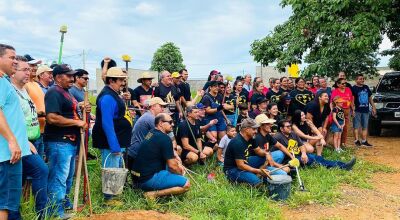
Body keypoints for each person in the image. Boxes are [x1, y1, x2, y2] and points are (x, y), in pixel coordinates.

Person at [44, 64, 88, 219]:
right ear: (57, 77)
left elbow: (70, 111)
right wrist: (77, 123)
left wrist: (81, 107)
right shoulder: (54, 92)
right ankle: (55, 212)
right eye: (68, 76)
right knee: (59, 178)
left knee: (67, 177)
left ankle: (64, 206)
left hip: (69, 143)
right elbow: (52, 118)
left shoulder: (67, 92)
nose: (72, 78)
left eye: (72, 75)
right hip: (58, 142)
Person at [9, 56, 49, 220]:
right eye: (24, 70)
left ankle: (20, 214)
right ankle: (42, 214)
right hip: (20, 143)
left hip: (34, 139)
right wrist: (24, 141)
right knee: (40, 170)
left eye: (29, 69)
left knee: (20, 180)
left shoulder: (24, 88)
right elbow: (9, 119)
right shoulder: (10, 91)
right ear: (13, 72)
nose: (29, 72)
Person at [92, 67, 133, 204]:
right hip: (111, 143)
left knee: (116, 168)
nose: (123, 83)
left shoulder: (114, 94)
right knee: (111, 169)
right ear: (111, 80)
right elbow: (107, 124)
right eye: (120, 80)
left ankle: (115, 194)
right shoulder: (107, 97)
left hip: (119, 140)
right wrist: (114, 146)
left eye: (123, 80)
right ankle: (109, 198)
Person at [0, 44, 31, 220]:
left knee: (7, 202)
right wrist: (12, 141)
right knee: (4, 204)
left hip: (8, 153)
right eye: (11, 58)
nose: (15, 61)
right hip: (7, 154)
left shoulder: (4, 81)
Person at [131, 113, 190, 199]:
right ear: (161, 123)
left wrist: (175, 160)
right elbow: (173, 167)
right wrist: (180, 173)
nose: (172, 124)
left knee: (171, 166)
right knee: (186, 184)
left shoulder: (151, 133)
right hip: (146, 180)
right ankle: (153, 194)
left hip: (135, 177)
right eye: (170, 122)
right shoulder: (165, 139)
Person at [274, 120, 355, 170]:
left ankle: (343, 165)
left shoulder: (293, 134)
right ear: (281, 129)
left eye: (290, 126)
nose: (290, 128)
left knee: (317, 158)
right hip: (290, 160)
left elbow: (301, 145)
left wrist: (304, 153)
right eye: (287, 127)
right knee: (315, 161)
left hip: (300, 155)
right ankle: (343, 167)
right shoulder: (278, 136)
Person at [223, 118, 271, 187]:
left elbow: (258, 151)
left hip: (245, 161)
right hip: (232, 169)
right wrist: (258, 171)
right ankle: (237, 180)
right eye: (254, 129)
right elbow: (240, 165)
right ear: (247, 129)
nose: (256, 131)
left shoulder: (252, 137)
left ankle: (256, 174)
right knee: (257, 182)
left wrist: (267, 153)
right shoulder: (237, 142)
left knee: (263, 157)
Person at [24, 60, 46, 157]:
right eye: (32, 65)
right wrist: (39, 113)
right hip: (31, 133)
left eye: (36, 65)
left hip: (41, 130)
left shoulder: (36, 84)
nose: (35, 68)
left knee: (40, 160)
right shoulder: (25, 85)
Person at [351, 74, 376, 147]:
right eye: (360, 79)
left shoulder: (366, 87)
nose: (362, 80)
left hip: (365, 110)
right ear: (356, 80)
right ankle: (356, 141)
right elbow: (352, 100)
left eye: (363, 79)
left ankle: (364, 141)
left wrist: (373, 107)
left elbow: (370, 98)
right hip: (357, 110)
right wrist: (352, 109)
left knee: (365, 126)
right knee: (356, 126)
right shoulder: (354, 88)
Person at [331, 78, 354, 148]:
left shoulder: (348, 89)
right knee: (337, 127)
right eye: (342, 83)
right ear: (338, 84)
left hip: (347, 110)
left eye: (345, 83)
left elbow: (351, 100)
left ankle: (343, 143)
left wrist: (353, 109)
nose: (344, 85)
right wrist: (333, 111)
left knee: (345, 127)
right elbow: (332, 102)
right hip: (338, 110)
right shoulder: (335, 91)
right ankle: (336, 145)